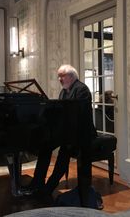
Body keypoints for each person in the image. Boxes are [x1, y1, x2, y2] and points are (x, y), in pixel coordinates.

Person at [23, 64, 96, 196]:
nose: (59, 79)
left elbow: (79, 116)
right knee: (45, 147)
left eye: (62, 76)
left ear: (71, 76)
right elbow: (62, 113)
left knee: (64, 151)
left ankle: (49, 186)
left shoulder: (82, 90)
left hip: (82, 132)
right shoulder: (64, 91)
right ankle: (37, 182)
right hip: (68, 130)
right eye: (59, 76)